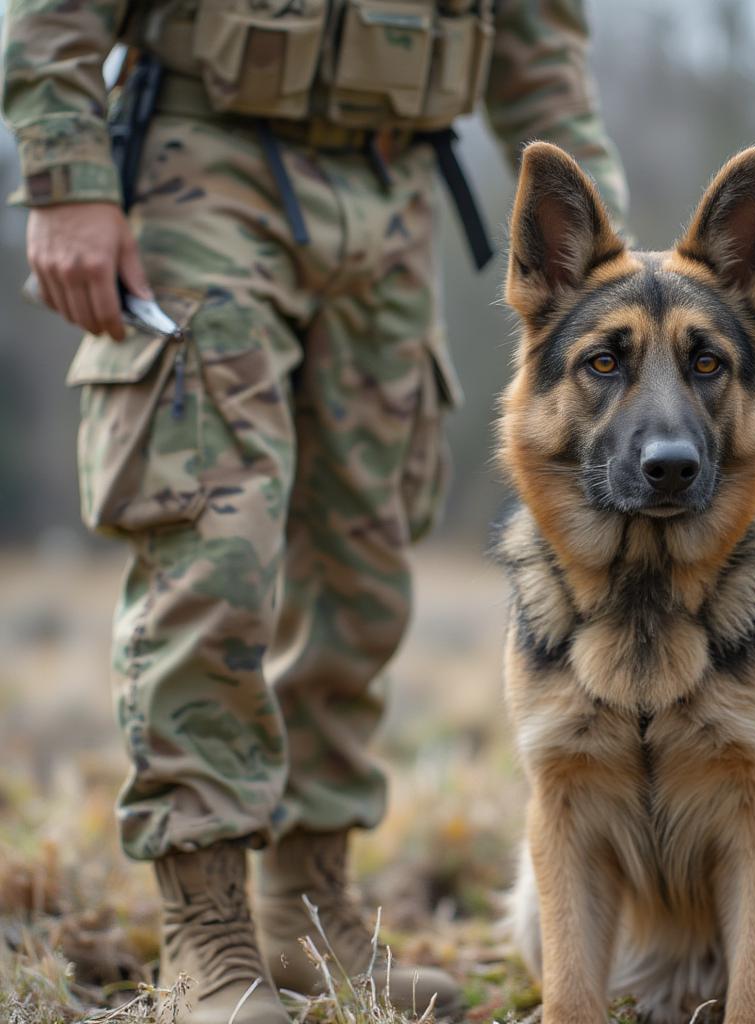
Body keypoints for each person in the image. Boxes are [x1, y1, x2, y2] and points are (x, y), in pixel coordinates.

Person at [1, 1, 627, 1020]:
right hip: (205, 158)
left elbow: (539, 42)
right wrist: (67, 178)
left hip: (395, 184)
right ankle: (206, 930)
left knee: (364, 559)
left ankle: (309, 906)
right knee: (215, 539)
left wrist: (608, 251)